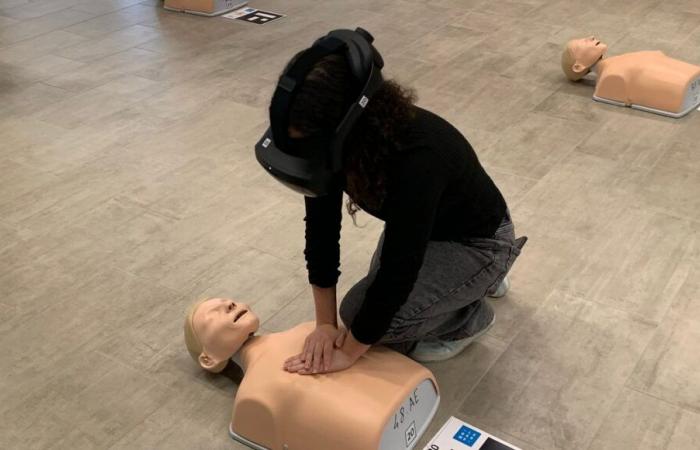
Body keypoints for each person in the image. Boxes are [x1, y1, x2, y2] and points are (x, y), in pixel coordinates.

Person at [263, 37, 527, 376]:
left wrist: (349, 354)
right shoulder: (338, 146)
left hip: (478, 241)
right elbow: (321, 232)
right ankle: (465, 286)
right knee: (366, 314)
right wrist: (324, 324)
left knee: (367, 321)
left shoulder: (419, 157)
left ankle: (468, 315)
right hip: (430, 226)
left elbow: (399, 271)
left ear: (343, 126)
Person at [183, 297, 440, 450]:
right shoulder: (252, 397)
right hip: (409, 400)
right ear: (208, 358)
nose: (229, 303)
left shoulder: (311, 331)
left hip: (392, 412)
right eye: (212, 315)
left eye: (228, 300)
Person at [561, 36, 700, 117]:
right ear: (578, 66)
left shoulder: (618, 63)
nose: (590, 37)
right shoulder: (611, 77)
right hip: (681, 90)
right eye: (581, 43)